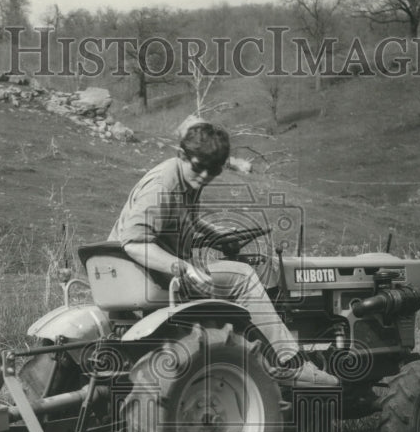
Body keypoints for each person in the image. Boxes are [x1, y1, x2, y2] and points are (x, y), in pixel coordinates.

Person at [108, 118, 338, 387]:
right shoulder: (162, 186)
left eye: (214, 170)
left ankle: (252, 356)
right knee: (243, 276)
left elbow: (182, 221)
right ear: (182, 154)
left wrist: (218, 237)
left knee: (231, 273)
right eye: (200, 167)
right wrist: (184, 267)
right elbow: (134, 242)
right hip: (148, 277)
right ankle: (290, 362)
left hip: (139, 277)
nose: (205, 176)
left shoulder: (183, 180)